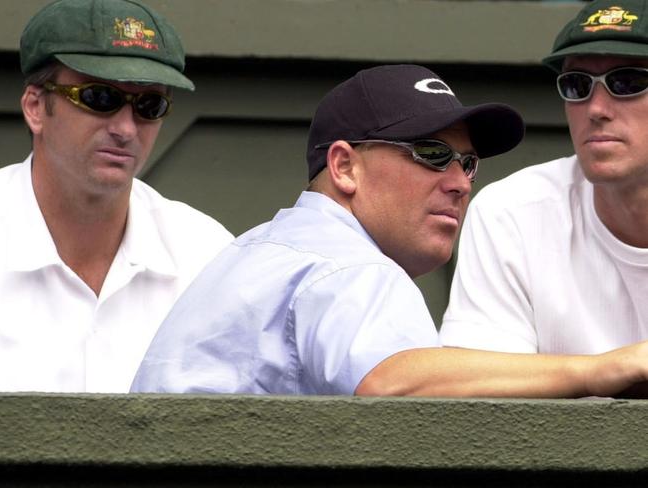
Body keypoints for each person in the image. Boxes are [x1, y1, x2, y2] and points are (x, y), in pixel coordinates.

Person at [133, 64, 648, 398]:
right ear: (344, 167)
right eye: (432, 154)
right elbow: (395, 385)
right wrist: (605, 368)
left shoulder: (270, 249)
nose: (459, 184)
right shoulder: (347, 265)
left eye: (467, 164)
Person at [0, 0, 233, 393]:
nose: (125, 128)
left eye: (149, 105)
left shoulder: (205, 256)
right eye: (99, 97)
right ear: (36, 107)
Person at [441, 0, 648, 357]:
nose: (596, 109)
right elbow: (483, 382)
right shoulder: (513, 212)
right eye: (576, 85)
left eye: (626, 82)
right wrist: (611, 370)